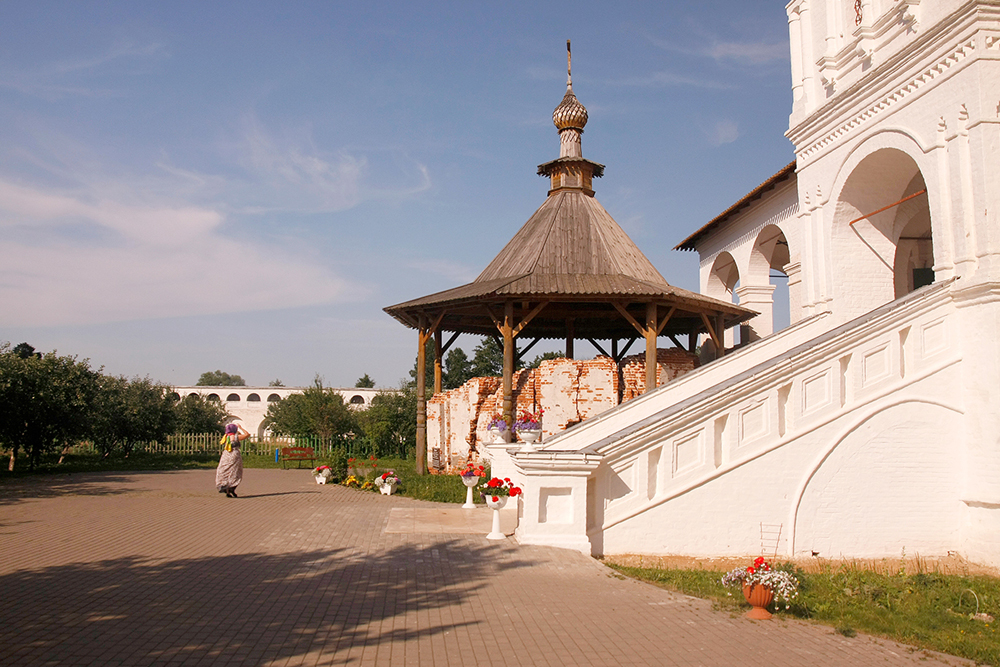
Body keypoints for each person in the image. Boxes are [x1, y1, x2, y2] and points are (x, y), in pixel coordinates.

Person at [216, 423, 249, 497]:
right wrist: (241, 428)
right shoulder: (236, 437)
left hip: (226, 455)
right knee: (235, 471)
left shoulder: (225, 437)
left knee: (225, 470)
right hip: (234, 454)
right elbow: (247, 434)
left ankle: (225, 487)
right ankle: (232, 488)